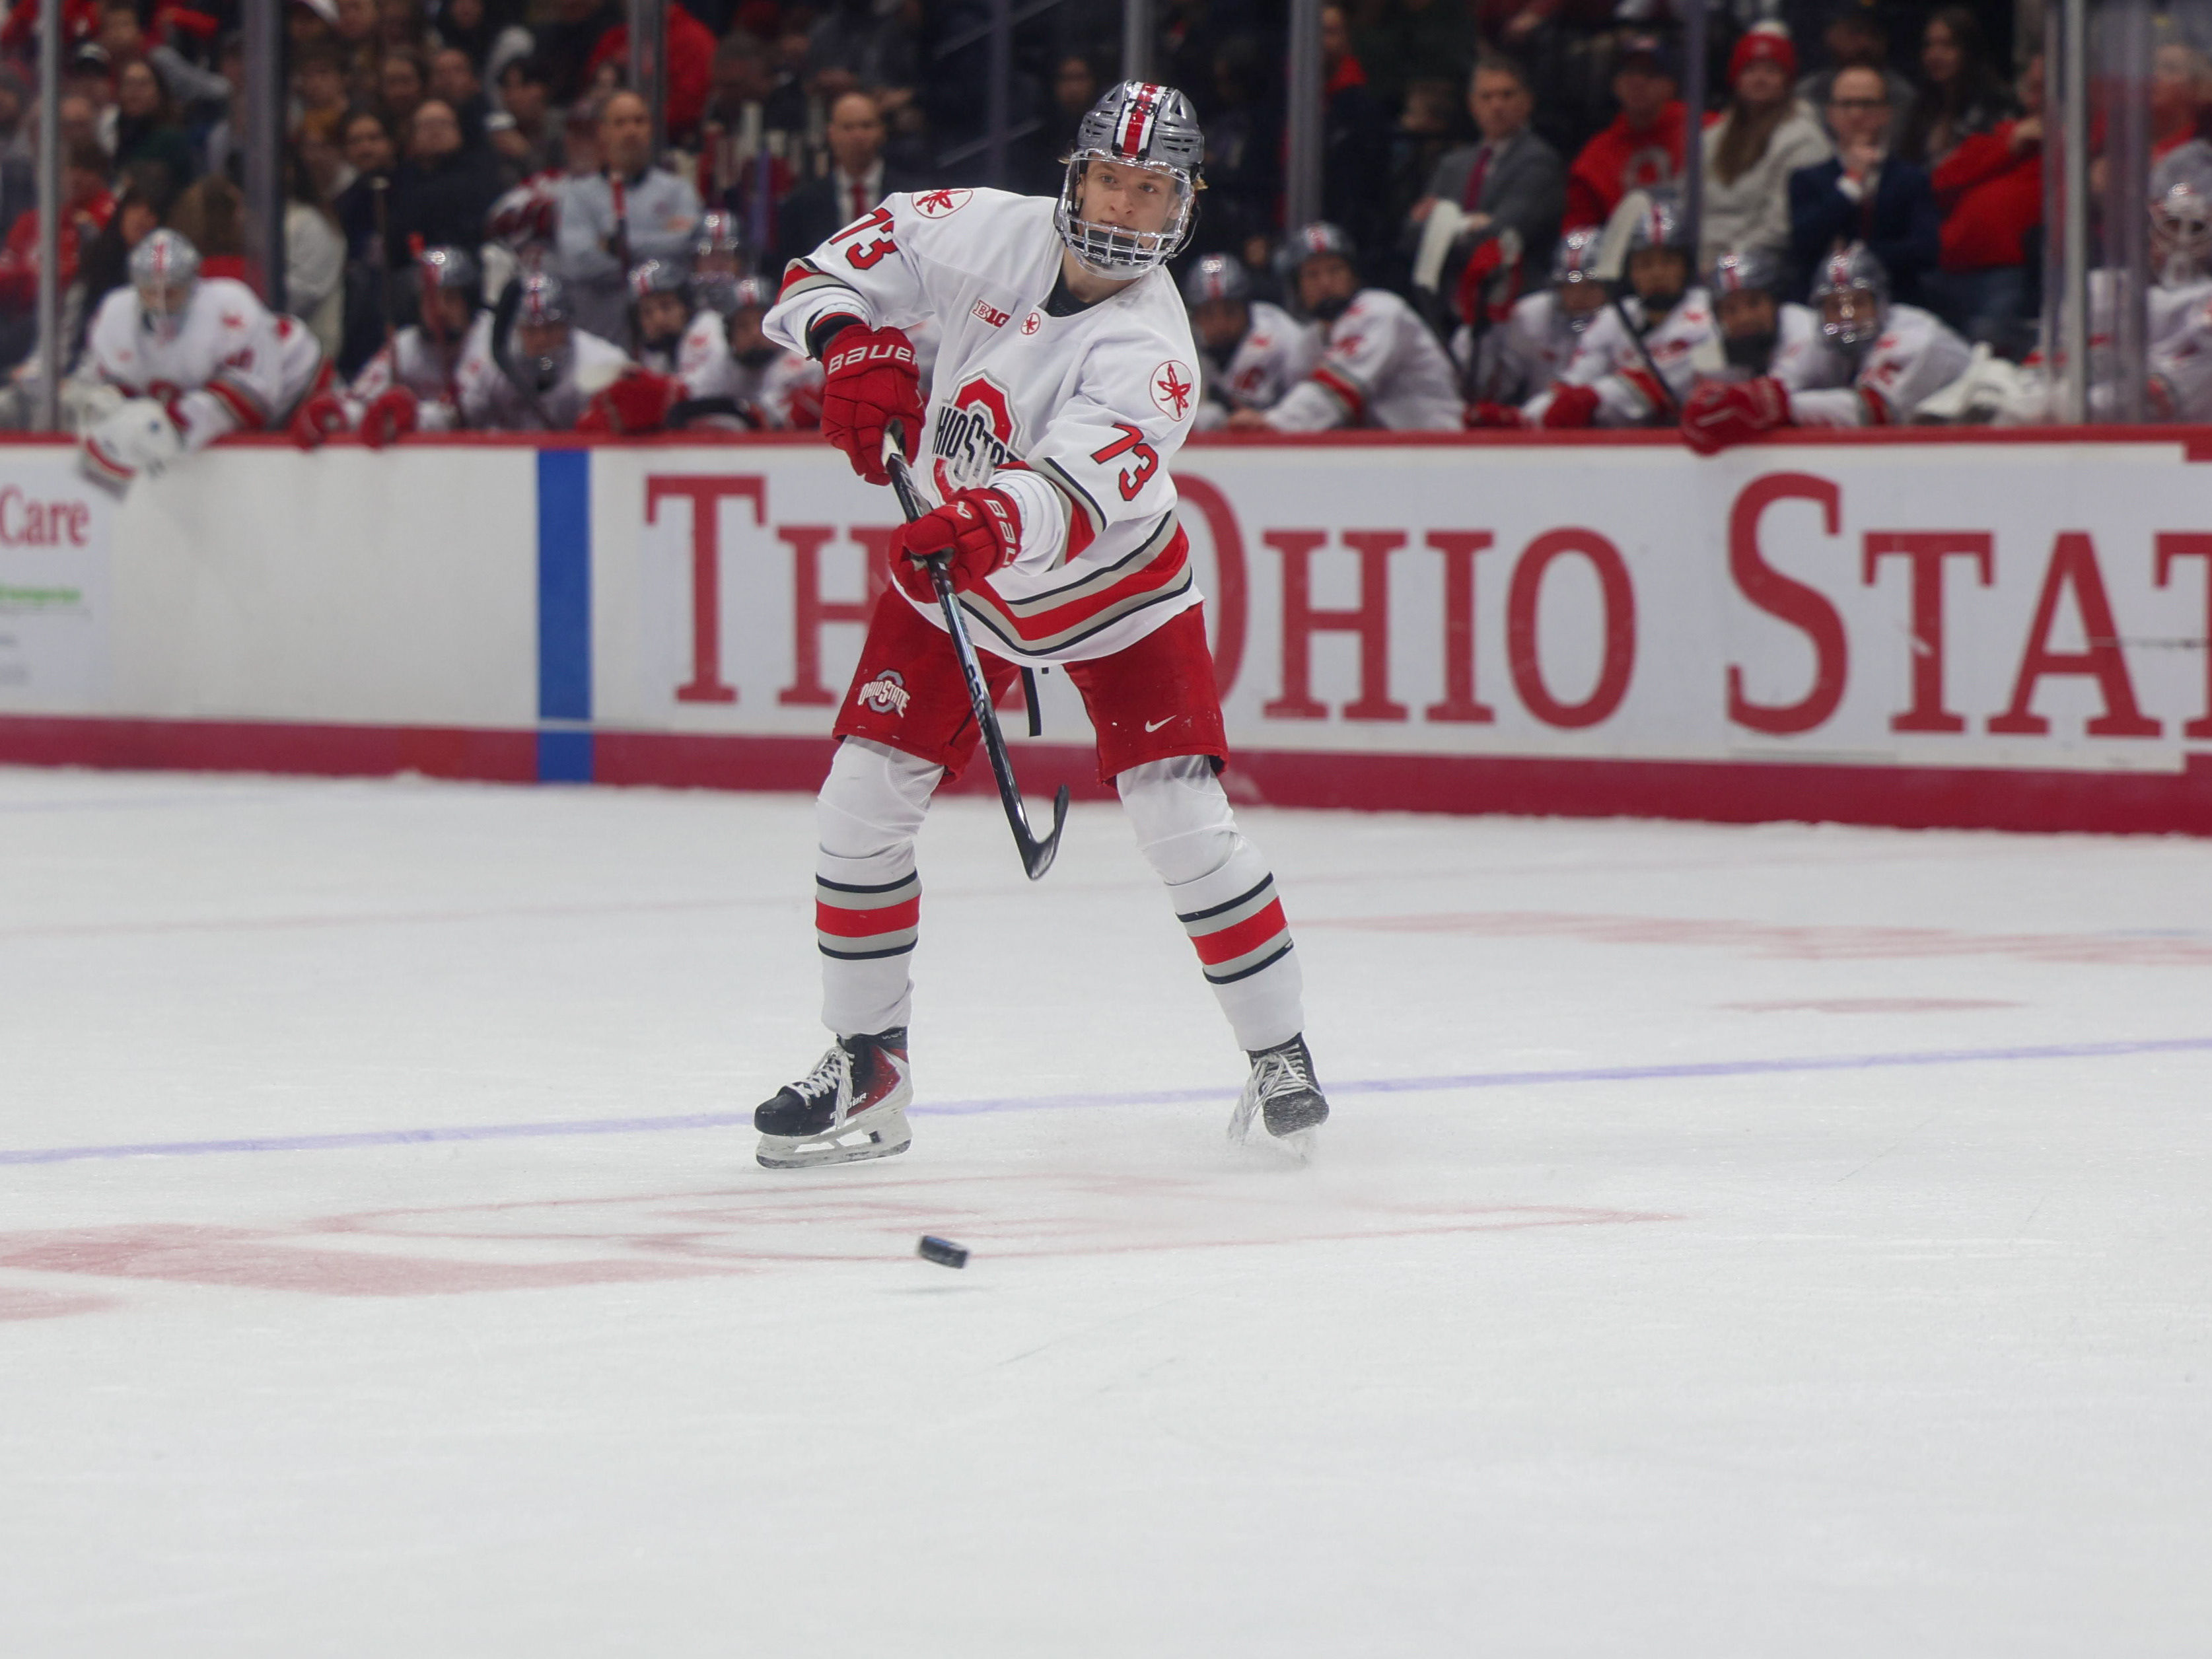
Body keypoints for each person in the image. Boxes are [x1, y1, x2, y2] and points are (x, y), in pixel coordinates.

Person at [754, 81, 1332, 1166]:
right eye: (1111, 179)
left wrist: (980, 522)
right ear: (1075, 176)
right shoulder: (984, 228)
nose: (1124, 208)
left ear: (1185, 206)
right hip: (960, 579)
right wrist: (846, 343)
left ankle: (1277, 1050)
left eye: (1152, 191)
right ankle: (867, 1065)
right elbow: (827, 269)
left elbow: (1069, 496)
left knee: (1179, 817)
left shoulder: (1154, 352)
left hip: (1114, 592)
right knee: (858, 803)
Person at [79, 229, 324, 490]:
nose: (160, 303)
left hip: (298, 389)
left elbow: (254, 397)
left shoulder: (230, 306)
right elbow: (105, 387)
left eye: (171, 291)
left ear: (192, 283)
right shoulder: (114, 314)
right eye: (150, 291)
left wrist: (178, 421)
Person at [1681, 242, 1969, 449]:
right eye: (1834, 306)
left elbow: (1873, 411)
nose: (1847, 315)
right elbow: (1778, 389)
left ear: (1882, 303)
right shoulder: (1826, 341)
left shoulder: (1916, 337)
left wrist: (1777, 405)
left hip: (1983, 428)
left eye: (1858, 302)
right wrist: (1742, 399)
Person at [1232, 221, 1460, 431]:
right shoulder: (1309, 343)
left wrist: (1273, 422)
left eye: (1335, 270)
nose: (1325, 283)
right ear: (1297, 288)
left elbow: (1333, 393)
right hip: (1380, 450)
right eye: (1312, 275)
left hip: (1438, 446)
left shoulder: (1380, 311)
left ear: (1353, 276)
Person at [1519, 195, 1719, 429]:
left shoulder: (1710, 312)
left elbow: (1668, 386)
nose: (1657, 273)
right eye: (1645, 264)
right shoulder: (1615, 317)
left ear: (1686, 267)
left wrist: (1594, 398)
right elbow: (1576, 381)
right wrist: (1526, 417)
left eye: (1668, 262)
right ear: (1630, 273)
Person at [293, 243, 487, 444]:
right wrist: (339, 415)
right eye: (429, 299)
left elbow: (462, 411)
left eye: (451, 298)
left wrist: (410, 416)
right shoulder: (406, 344)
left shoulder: (486, 338)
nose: (439, 310)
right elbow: (360, 397)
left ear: (470, 301)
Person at [1404, 55, 1565, 294]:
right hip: (1448, 295)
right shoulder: (1452, 164)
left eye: (1507, 95)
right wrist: (1471, 224)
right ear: (1472, 105)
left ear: (1527, 101)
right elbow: (1412, 232)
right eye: (1486, 97)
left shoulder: (1539, 161)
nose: (1497, 105)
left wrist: (1443, 228)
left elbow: (1505, 234)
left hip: (1512, 295)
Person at [553, 88, 701, 344]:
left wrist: (613, 246)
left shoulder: (677, 190)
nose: (631, 131)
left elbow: (688, 248)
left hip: (668, 338)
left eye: (639, 121)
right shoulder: (577, 195)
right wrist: (659, 248)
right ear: (603, 131)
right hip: (602, 336)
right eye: (620, 123)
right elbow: (579, 263)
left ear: (651, 128)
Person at [1789, 65, 1940, 304]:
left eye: (1867, 104)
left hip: (1898, 301)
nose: (1856, 114)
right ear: (1830, 114)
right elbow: (1804, 246)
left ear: (1886, 113)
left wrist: (1854, 253)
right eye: (1846, 104)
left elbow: (1926, 251)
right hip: (1824, 304)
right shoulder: (1807, 179)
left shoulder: (1911, 178)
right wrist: (1851, 185)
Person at [1927, 53, 2042, 357]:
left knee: (1986, 349)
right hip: (1949, 267)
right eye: (2033, 88)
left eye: (2046, 88)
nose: (2038, 98)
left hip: (2006, 274)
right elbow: (1941, 181)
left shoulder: (2077, 144)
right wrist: (2010, 144)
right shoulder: (2002, 133)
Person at [1697, 23, 1831, 271]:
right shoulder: (1711, 137)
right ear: (1736, 78)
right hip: (1700, 260)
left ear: (1787, 80)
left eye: (1771, 70)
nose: (1760, 79)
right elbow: (1688, 205)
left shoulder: (1804, 139)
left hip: (1762, 269)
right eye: (1750, 69)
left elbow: (1779, 228)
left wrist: (1725, 266)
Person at [454, 266, 627, 429]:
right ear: (517, 330)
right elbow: (459, 417)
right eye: (531, 330)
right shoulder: (492, 362)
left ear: (568, 325)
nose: (541, 339)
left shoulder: (605, 362)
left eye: (550, 328)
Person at [1464, 225, 1609, 417]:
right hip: (1538, 423)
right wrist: (1488, 327)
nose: (1577, 297)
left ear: (1610, 285)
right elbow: (1497, 389)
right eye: (1569, 286)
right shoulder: (1531, 315)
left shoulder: (1621, 320)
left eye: (1590, 286)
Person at [772, 90, 919, 276]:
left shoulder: (911, 197)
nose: (858, 135)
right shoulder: (802, 204)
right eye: (848, 127)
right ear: (831, 134)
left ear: (882, 131)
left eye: (866, 126)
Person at [1563, 34, 1689, 231]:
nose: (1638, 81)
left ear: (1671, 85)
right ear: (1616, 85)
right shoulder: (1597, 154)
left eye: (1650, 73)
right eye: (1629, 73)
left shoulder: (1704, 130)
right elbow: (1578, 230)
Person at [1183, 252, 1315, 431]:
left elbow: (1312, 391)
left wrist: (1271, 418)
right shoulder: (1183, 340)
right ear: (1194, 317)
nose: (1220, 323)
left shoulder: (1279, 331)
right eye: (1208, 314)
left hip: (1287, 433)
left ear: (1247, 308)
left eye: (1230, 311)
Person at [1897, 6, 2011, 170]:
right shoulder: (1923, 107)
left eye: (1947, 45)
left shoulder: (1994, 105)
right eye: (1929, 45)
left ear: (1969, 51)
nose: (1935, 55)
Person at [1797, 4, 1913, 153]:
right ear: (1831, 35)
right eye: (1854, 32)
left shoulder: (1902, 96)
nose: (1864, 43)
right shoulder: (1809, 93)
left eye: (1873, 34)